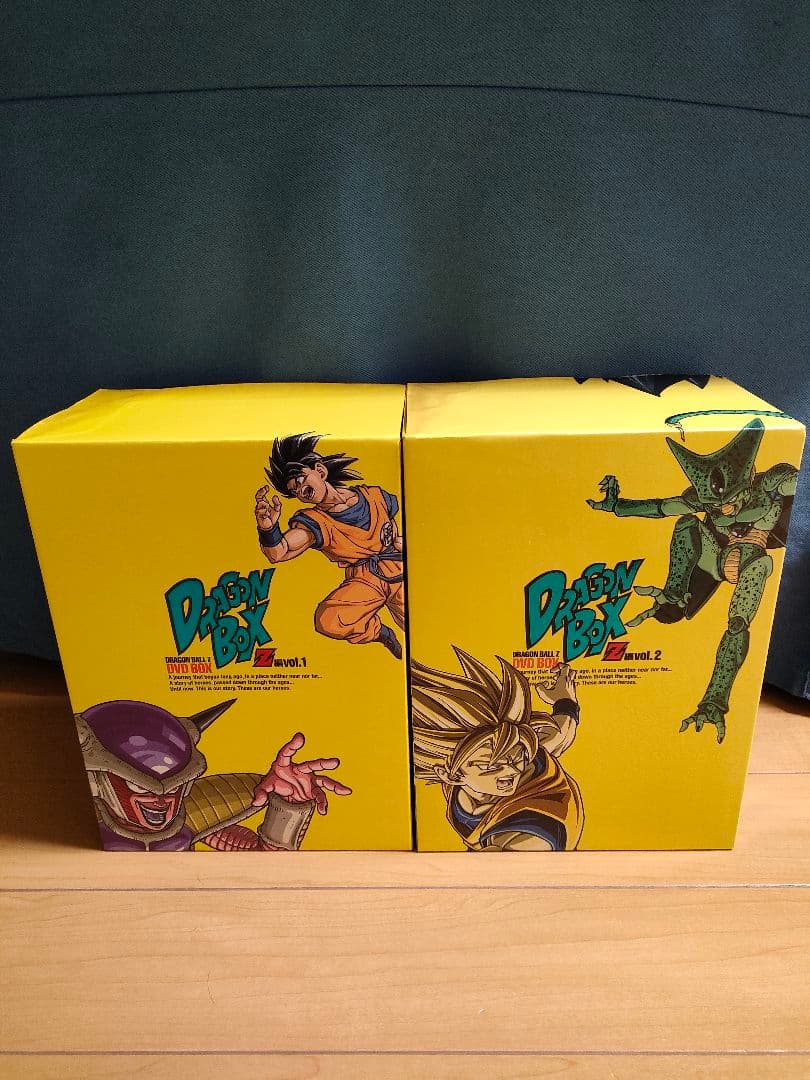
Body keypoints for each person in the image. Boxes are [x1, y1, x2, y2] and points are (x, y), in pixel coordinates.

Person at [255, 432, 404, 658]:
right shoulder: (315, 522)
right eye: (295, 492)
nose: (300, 492)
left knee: (425, 625)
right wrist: (268, 528)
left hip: (399, 570)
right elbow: (279, 552)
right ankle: (380, 633)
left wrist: (399, 543)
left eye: (300, 481)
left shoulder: (374, 495)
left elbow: (392, 526)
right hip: (365, 581)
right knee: (328, 619)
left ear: (320, 471)